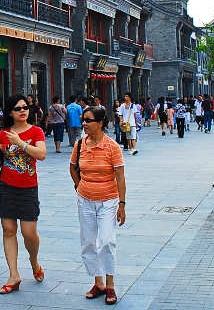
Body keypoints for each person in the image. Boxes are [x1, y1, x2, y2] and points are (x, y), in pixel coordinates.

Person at [0, 94, 47, 295]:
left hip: (28, 187)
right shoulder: (4, 133)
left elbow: (41, 154)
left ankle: (34, 260)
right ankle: (13, 275)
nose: (23, 110)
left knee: (29, 233)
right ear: (10, 113)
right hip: (7, 186)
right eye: (18, 108)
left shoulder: (36, 131)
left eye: (25, 107)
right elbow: (0, 162)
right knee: (8, 229)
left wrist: (20, 143)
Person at [69, 104, 125, 305]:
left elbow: (120, 177)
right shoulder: (80, 145)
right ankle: (98, 282)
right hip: (85, 200)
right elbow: (73, 167)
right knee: (88, 242)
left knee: (107, 240)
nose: (84, 124)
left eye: (88, 120)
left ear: (100, 123)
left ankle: (110, 284)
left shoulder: (112, 147)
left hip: (108, 200)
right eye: (83, 120)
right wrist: (79, 186)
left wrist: (122, 204)